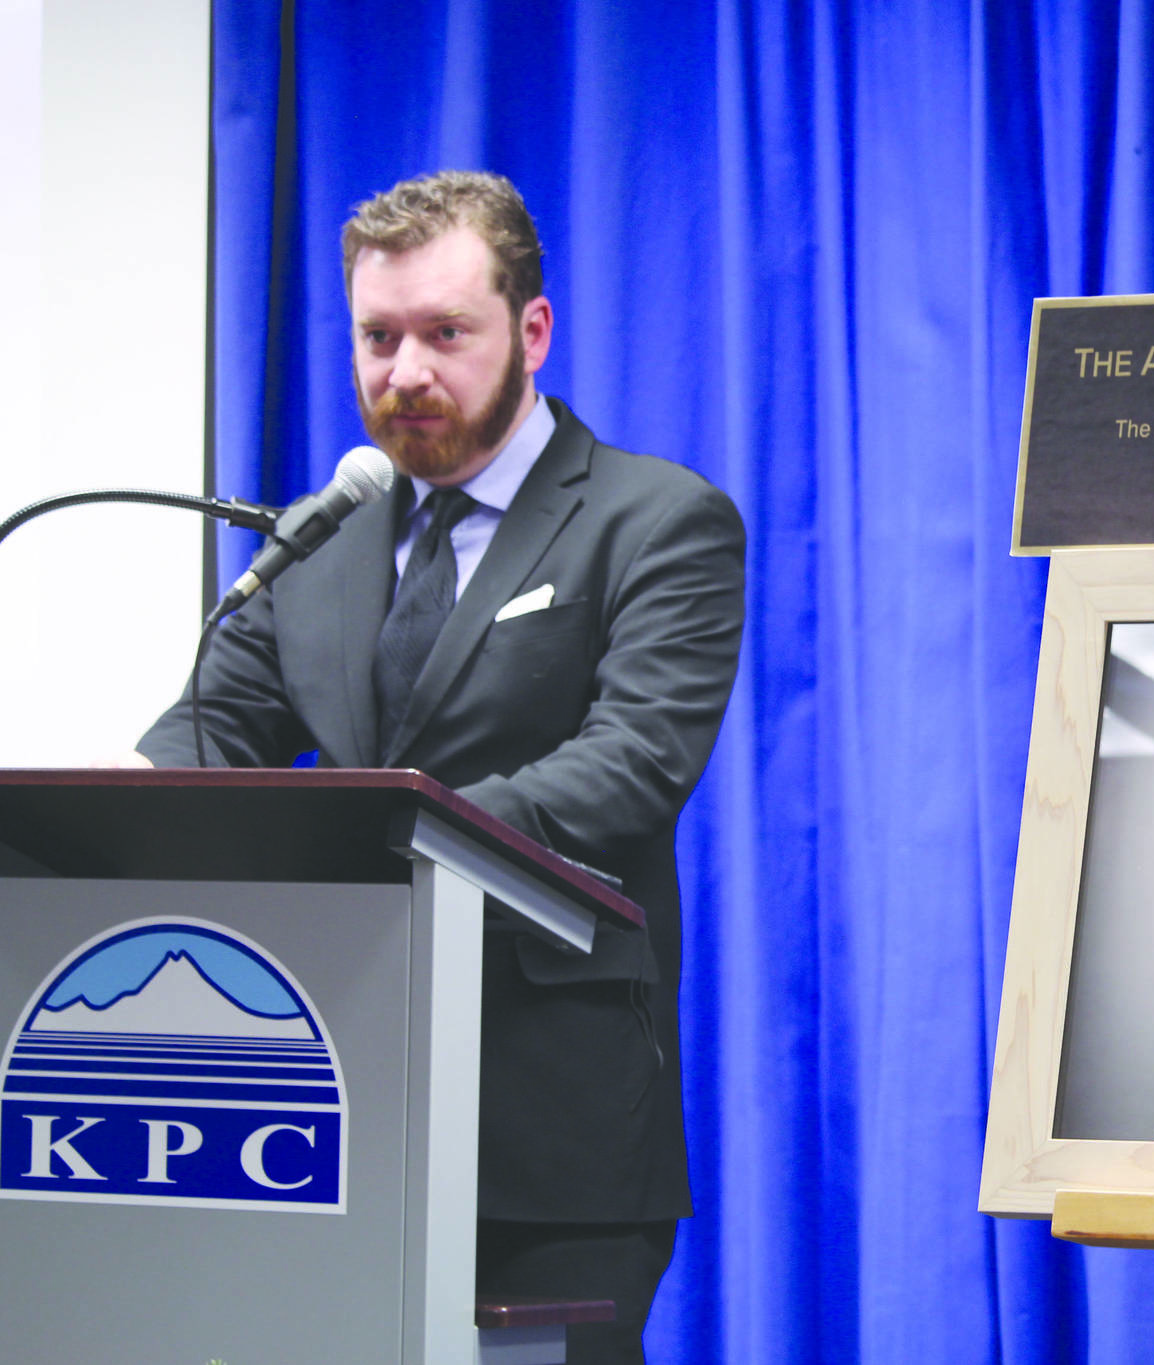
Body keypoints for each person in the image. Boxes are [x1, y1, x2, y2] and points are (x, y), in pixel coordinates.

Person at [130, 170, 744, 1364]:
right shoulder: (321, 541)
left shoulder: (654, 521)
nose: (404, 371)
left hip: (550, 1149)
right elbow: (210, 731)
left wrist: (389, 834)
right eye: (376, 335)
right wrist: (126, 787)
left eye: (444, 333)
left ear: (531, 331)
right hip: (327, 1127)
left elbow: (630, 767)